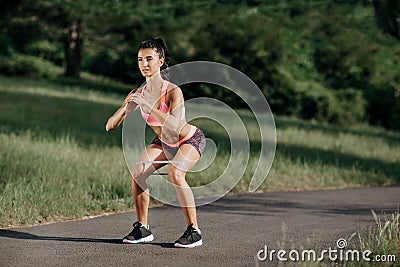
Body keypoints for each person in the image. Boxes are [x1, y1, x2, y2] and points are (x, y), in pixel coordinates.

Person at [105, 37, 206, 248]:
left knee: (176, 173)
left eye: (149, 59)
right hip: (163, 142)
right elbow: (110, 126)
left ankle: (194, 231)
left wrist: (149, 107)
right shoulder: (138, 93)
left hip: (189, 139)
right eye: (140, 59)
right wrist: (126, 108)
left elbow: (176, 127)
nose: (144, 64)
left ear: (160, 61)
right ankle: (142, 228)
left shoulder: (172, 91)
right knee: (138, 172)